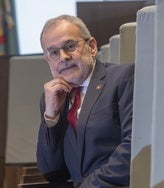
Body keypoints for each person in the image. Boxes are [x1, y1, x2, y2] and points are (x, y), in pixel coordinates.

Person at [36, 14, 134, 188]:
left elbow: (133, 146)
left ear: (92, 47)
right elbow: (53, 172)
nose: (63, 57)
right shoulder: (52, 97)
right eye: (54, 52)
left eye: (70, 46)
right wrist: (51, 118)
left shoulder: (122, 78)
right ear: (47, 60)